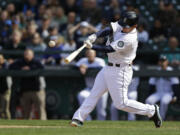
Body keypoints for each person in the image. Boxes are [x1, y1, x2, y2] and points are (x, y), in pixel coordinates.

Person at [70, 11, 162, 128]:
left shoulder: (130, 38)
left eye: (126, 27)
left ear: (135, 26)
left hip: (121, 71)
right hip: (108, 67)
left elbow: (109, 49)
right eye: (123, 24)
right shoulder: (123, 23)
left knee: (121, 104)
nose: (123, 28)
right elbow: (110, 29)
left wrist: (92, 46)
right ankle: (78, 118)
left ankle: (151, 110)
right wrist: (96, 35)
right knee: (94, 93)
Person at [10, 49, 47, 120]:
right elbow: (11, 67)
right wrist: (21, 68)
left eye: (28, 54)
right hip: (25, 90)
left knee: (40, 109)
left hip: (37, 90)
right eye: (25, 54)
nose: (26, 56)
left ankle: (44, 125)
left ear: (32, 55)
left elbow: (42, 68)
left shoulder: (36, 62)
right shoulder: (21, 62)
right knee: (26, 112)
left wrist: (30, 68)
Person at [76, 49, 108, 120]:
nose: (90, 56)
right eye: (89, 54)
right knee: (81, 96)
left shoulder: (99, 61)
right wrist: (80, 66)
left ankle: (101, 123)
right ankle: (88, 120)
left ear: (95, 55)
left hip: (101, 89)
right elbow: (74, 66)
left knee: (101, 110)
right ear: (86, 55)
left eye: (92, 54)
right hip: (89, 89)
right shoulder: (83, 61)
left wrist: (87, 68)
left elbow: (101, 68)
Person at [146, 55, 179, 120]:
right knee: (148, 100)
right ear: (158, 62)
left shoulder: (171, 70)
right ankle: (152, 118)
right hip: (158, 93)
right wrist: (149, 95)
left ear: (167, 62)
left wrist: (175, 96)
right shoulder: (156, 71)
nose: (162, 63)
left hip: (168, 93)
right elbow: (151, 85)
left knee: (164, 101)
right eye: (161, 61)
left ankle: (161, 119)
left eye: (164, 61)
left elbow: (176, 85)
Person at [0, 54, 12, 119]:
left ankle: (9, 121)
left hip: (5, 90)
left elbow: (6, 68)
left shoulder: (6, 65)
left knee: (5, 108)